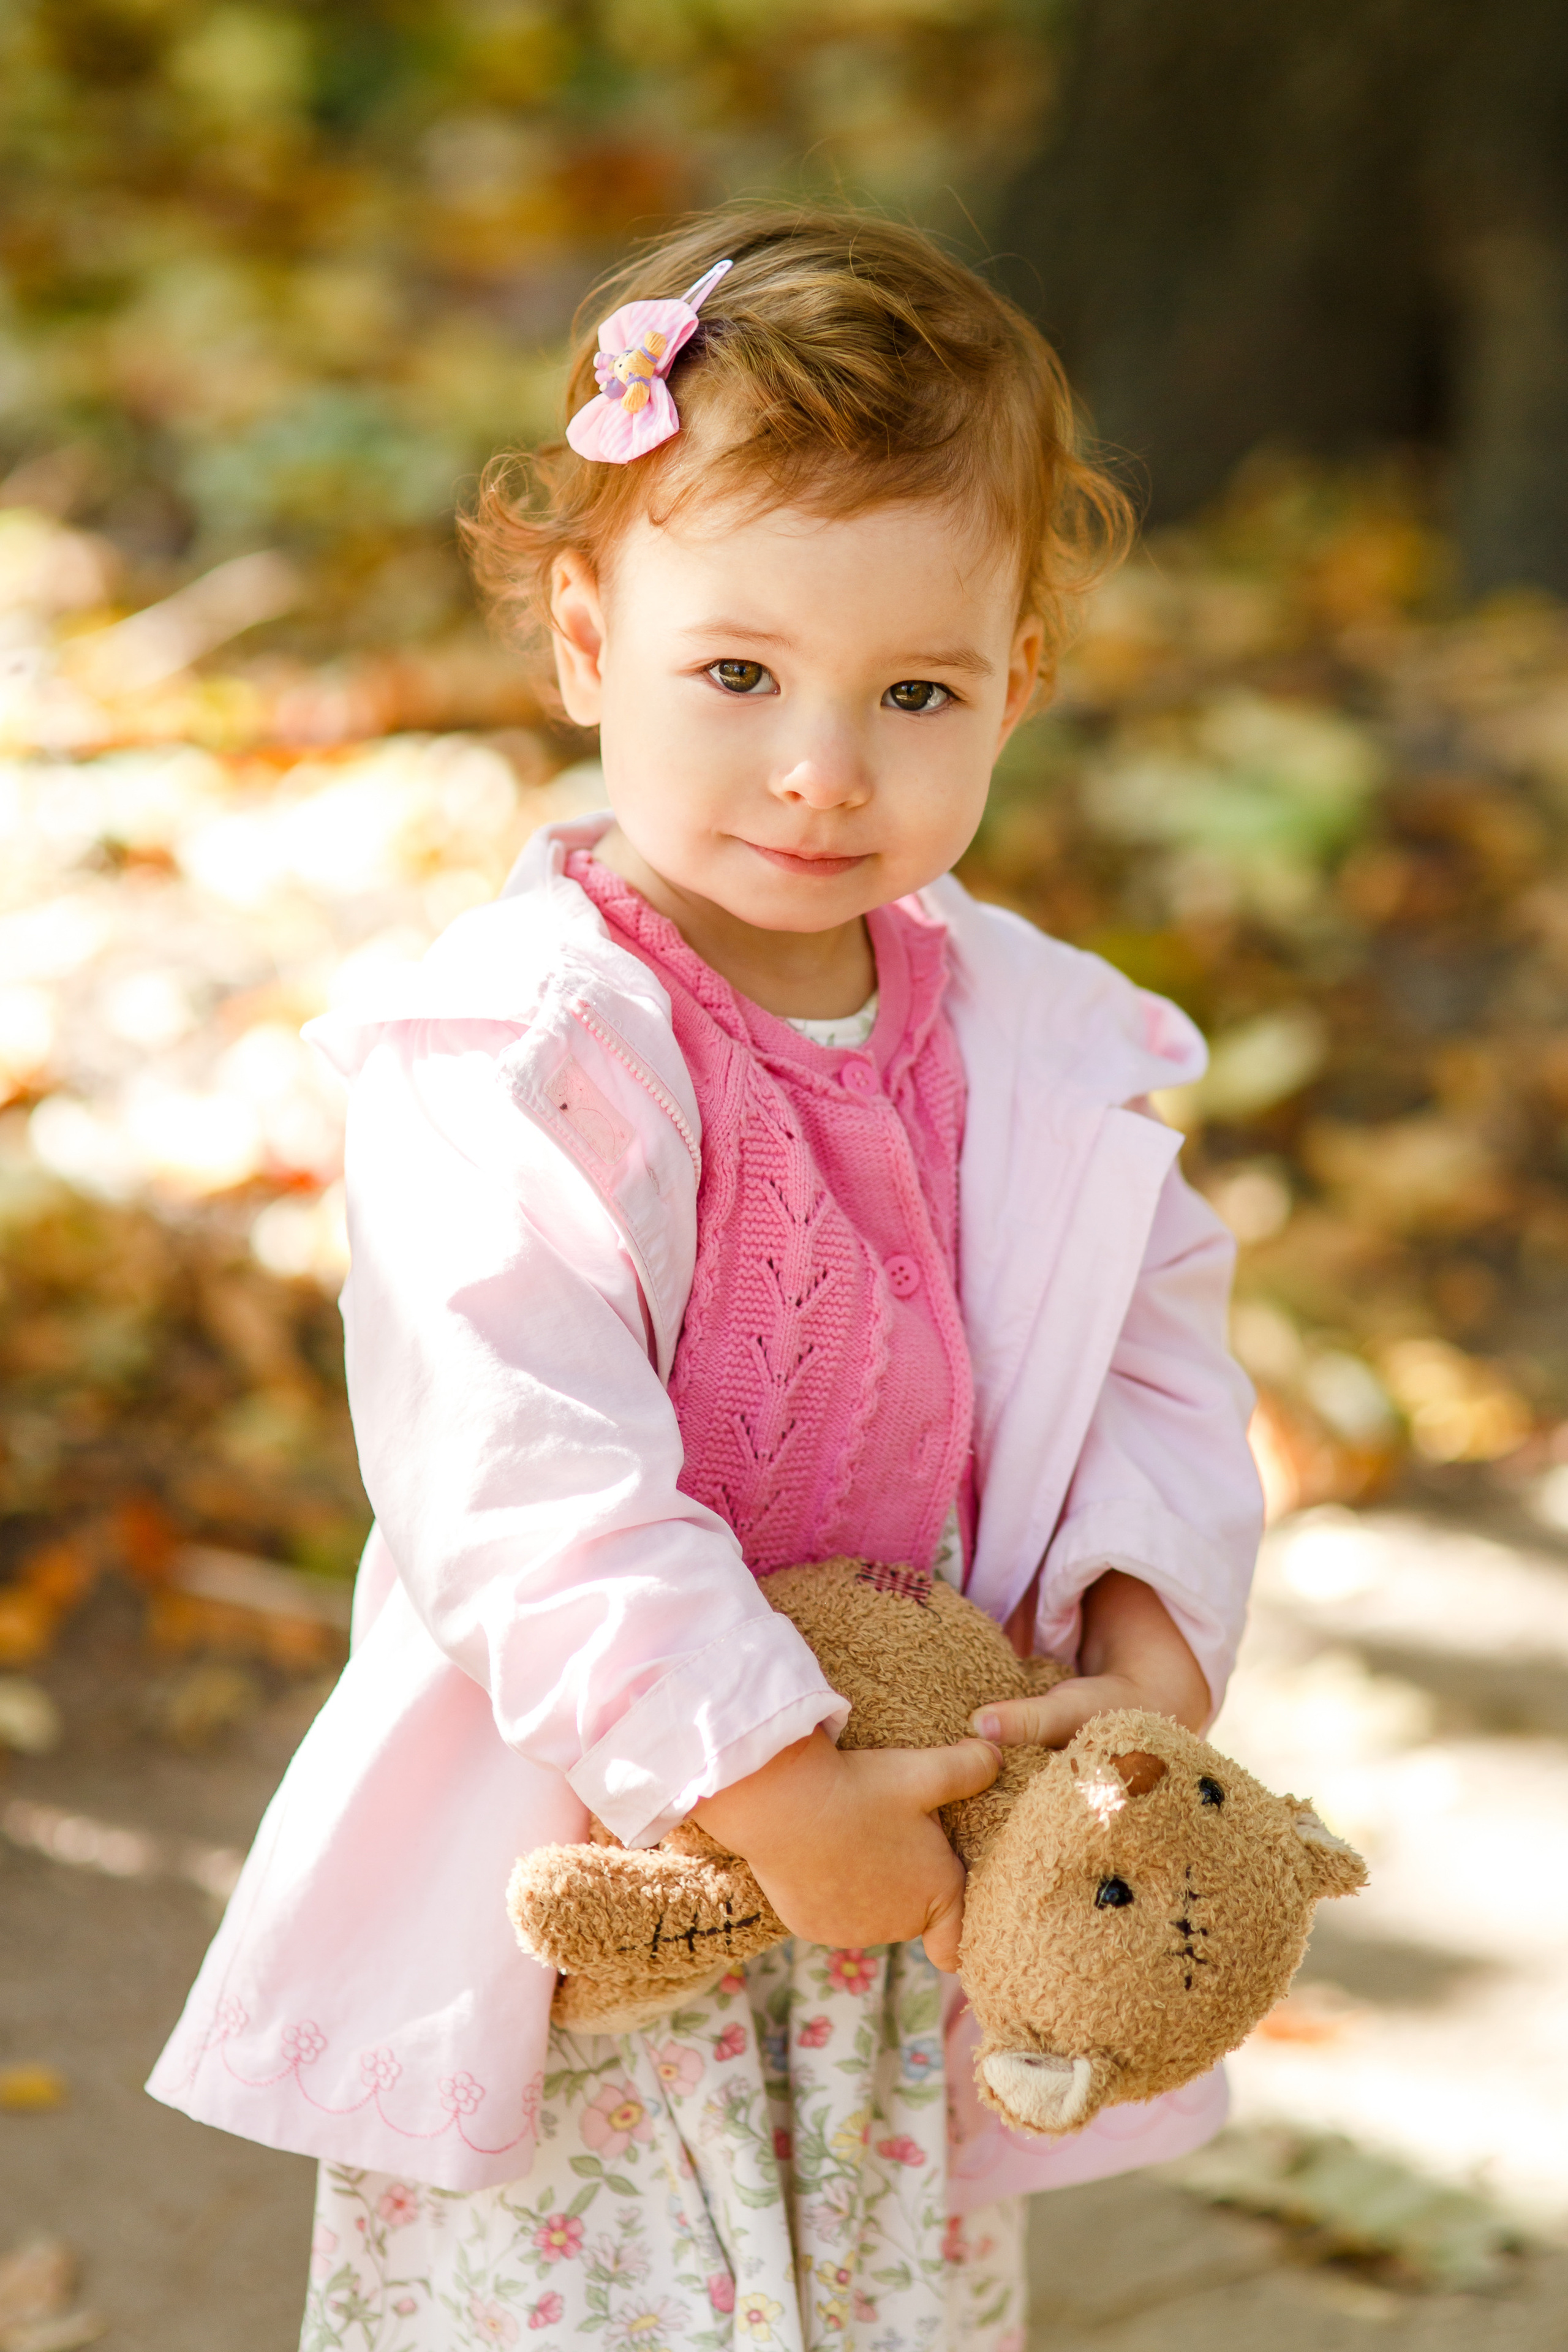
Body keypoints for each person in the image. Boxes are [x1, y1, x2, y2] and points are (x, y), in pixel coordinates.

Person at [148, 204, 1262, 2352]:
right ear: (585, 638)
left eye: (914, 690)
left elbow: (1156, 1367)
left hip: (921, 1863)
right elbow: (515, 1471)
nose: (821, 768)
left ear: (1017, 681)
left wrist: (1139, 1668)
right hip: (599, 1872)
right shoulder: (526, 1060)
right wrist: (761, 1789)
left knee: (882, 2306)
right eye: (736, 672)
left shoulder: (1039, 1048)